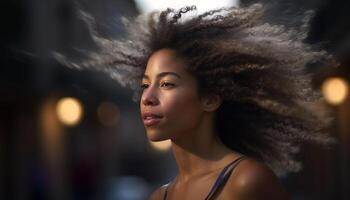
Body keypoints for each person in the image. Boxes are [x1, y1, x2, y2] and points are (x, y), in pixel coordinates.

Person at [56, 3, 335, 200]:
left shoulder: (247, 181)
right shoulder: (159, 196)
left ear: (210, 98)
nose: (148, 98)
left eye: (166, 84)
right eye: (145, 85)